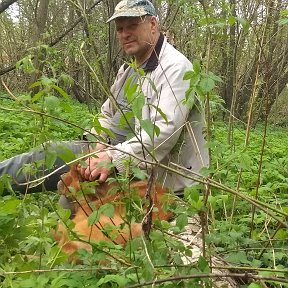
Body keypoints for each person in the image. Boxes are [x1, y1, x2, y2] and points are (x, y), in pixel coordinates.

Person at [0, 0, 209, 203]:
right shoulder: (128, 70)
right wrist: (97, 142)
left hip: (159, 177)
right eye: (120, 29)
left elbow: (162, 134)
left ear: (152, 24)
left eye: (133, 26)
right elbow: (107, 114)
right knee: (59, 174)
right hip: (113, 155)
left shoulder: (174, 68)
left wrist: (111, 158)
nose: (125, 34)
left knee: (58, 168)